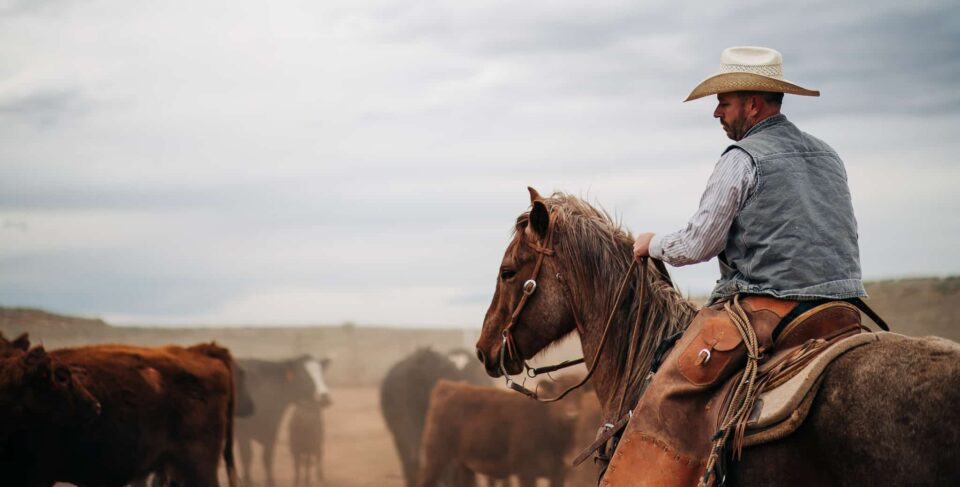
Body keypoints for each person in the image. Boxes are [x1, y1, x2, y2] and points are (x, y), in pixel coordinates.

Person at [604, 46, 867, 486]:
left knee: (669, 388)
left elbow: (698, 244)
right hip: (840, 310)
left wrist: (652, 245)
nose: (717, 113)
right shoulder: (828, 155)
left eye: (724, 103)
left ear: (753, 104)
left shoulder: (741, 159)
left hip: (770, 310)